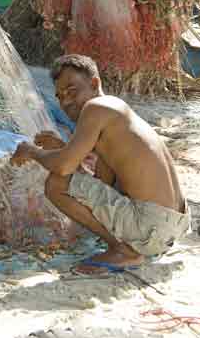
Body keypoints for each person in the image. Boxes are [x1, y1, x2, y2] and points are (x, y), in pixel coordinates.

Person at [10, 54, 189, 274]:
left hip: (151, 227)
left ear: (94, 84)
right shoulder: (114, 111)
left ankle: (124, 251)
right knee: (67, 179)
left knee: (55, 184)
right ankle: (129, 246)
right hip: (172, 227)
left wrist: (32, 152)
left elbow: (63, 170)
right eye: (59, 96)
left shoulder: (96, 107)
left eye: (72, 91)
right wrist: (62, 148)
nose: (65, 101)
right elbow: (99, 186)